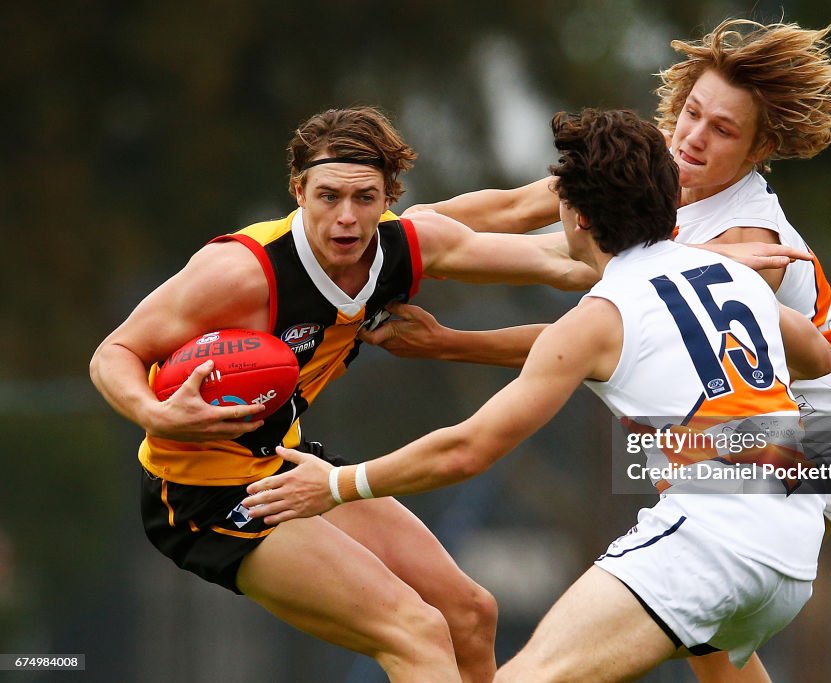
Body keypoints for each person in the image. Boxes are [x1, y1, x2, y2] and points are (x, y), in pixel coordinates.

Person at [383, 19, 831, 681]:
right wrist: (387, 233)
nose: (693, 137)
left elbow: (587, 331)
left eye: (722, 129)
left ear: (759, 148)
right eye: (692, 113)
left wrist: (448, 339)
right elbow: (513, 211)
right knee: (707, 627)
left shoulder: (751, 237)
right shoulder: (643, 170)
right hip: (758, 435)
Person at [242, 108, 831, 681]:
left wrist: (339, 485)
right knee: (715, 656)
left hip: (714, 540)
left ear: (575, 216)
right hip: (792, 548)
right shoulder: (734, 278)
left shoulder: (602, 315)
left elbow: (468, 450)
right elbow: (816, 355)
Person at [89, 105, 619, 683]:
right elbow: (113, 353)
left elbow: (567, 262)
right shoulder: (240, 272)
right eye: (328, 196)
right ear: (298, 191)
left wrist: (697, 245)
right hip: (202, 494)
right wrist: (157, 412)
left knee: (468, 614)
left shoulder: (401, 250)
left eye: (365, 198)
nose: (346, 218)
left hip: (283, 464)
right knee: (414, 631)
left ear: (389, 196)